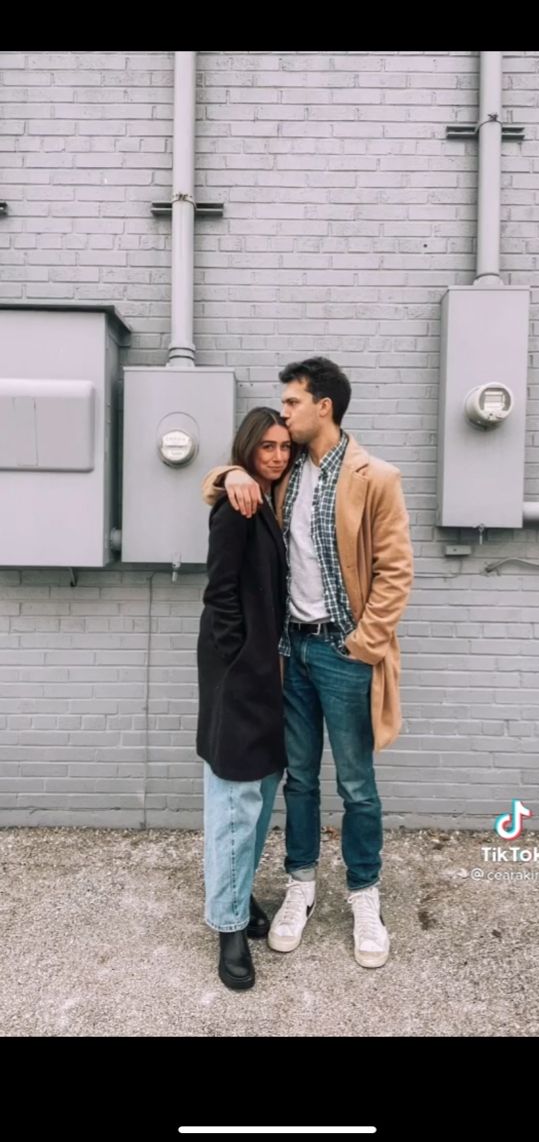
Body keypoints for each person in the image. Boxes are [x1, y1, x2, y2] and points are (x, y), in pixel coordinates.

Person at [202, 357, 413, 969]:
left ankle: (364, 896)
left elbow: (396, 571)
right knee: (298, 778)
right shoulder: (283, 474)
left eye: (292, 402)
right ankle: (301, 886)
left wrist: (365, 642)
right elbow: (226, 481)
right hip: (289, 652)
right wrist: (229, 471)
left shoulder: (376, 477)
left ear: (323, 406)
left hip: (345, 653)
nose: (284, 412)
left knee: (355, 784)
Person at [197, 407, 293, 991]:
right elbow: (220, 594)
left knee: (259, 791)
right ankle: (228, 925)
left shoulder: (268, 500)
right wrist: (239, 660)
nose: (278, 456)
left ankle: (236, 889)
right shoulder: (235, 506)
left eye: (285, 447)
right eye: (267, 449)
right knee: (235, 802)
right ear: (248, 450)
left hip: (271, 676)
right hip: (241, 674)